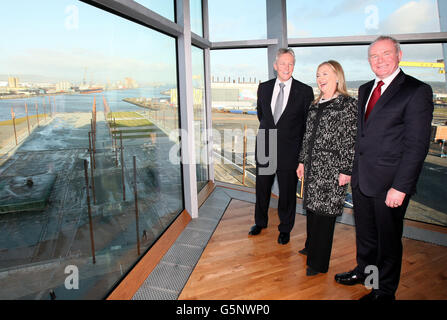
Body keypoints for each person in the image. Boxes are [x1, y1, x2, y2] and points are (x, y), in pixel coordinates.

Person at [334, 36, 434, 301]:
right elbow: (361, 137)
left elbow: (416, 146)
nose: (379, 60)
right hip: (362, 178)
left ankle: (384, 291)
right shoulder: (366, 88)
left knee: (388, 241)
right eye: (374, 56)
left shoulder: (416, 91)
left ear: (399, 55)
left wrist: (400, 187)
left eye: (385, 54)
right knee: (366, 236)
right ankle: (366, 274)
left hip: (390, 184)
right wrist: (350, 170)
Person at [296, 60, 357, 276]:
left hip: (332, 169)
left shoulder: (348, 104)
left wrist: (346, 170)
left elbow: (350, 139)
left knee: (325, 215)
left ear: (337, 76)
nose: (320, 79)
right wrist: (302, 161)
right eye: (318, 75)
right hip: (313, 167)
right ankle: (311, 246)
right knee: (312, 210)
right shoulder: (315, 103)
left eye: (325, 74)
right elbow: (307, 136)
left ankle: (318, 263)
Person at [249, 48, 314, 245]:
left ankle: (285, 228)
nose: (287, 67)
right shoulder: (264, 87)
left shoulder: (304, 91)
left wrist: (302, 157)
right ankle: (260, 222)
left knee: (287, 194)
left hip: (290, 152)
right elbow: (263, 116)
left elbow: (306, 126)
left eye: (290, 64)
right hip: (266, 146)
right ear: (275, 65)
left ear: (294, 66)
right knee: (262, 189)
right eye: (283, 63)